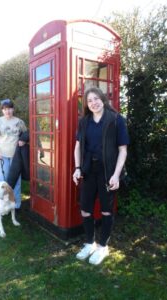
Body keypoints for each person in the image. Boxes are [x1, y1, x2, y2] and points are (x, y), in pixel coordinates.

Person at [73, 87, 129, 265]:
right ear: (86, 104)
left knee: (106, 210)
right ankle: (90, 243)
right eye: (89, 101)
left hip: (108, 171)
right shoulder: (84, 121)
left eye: (96, 99)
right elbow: (77, 146)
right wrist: (77, 168)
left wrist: (116, 175)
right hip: (89, 170)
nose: (93, 103)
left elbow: (123, 149)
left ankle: (103, 246)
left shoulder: (116, 119)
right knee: (85, 209)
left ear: (103, 99)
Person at [0, 98, 27, 211]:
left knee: (16, 180)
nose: (7, 111)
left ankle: (16, 204)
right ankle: (2, 204)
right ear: (2, 110)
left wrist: (24, 140)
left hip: (16, 156)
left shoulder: (19, 122)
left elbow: (26, 135)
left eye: (9, 108)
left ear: (13, 109)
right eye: (5, 109)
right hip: (2, 156)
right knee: (2, 181)